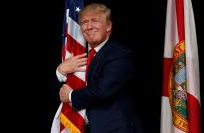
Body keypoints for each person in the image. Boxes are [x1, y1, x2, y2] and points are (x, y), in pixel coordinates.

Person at [57, 3, 143, 133]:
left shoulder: (120, 54)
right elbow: (53, 90)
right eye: (84, 22)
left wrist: (71, 95)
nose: (89, 26)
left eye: (95, 21)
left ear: (108, 26)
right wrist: (60, 71)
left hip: (113, 129)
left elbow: (102, 89)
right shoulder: (76, 53)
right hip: (79, 127)